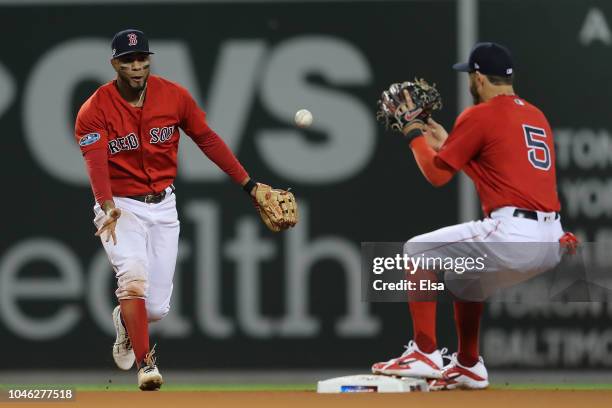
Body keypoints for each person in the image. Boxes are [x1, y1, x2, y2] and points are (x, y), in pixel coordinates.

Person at [74, 29, 280, 390]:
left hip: (163, 205)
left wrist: (249, 185)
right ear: (115, 64)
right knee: (132, 275)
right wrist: (106, 205)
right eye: (128, 61)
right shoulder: (95, 110)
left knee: (156, 309)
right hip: (120, 206)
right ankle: (145, 365)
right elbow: (95, 163)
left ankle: (126, 322)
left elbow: (208, 139)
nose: (137, 67)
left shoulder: (173, 97)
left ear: (149, 60)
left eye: (142, 59)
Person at [371, 42, 570, 390]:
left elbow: (436, 175)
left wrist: (412, 132)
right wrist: (451, 142)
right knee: (466, 281)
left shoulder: (480, 114)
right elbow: (503, 177)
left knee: (417, 249)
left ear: (478, 78)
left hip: (513, 233)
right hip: (551, 240)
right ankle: (468, 365)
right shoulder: (535, 116)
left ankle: (424, 352)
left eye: (470, 75)